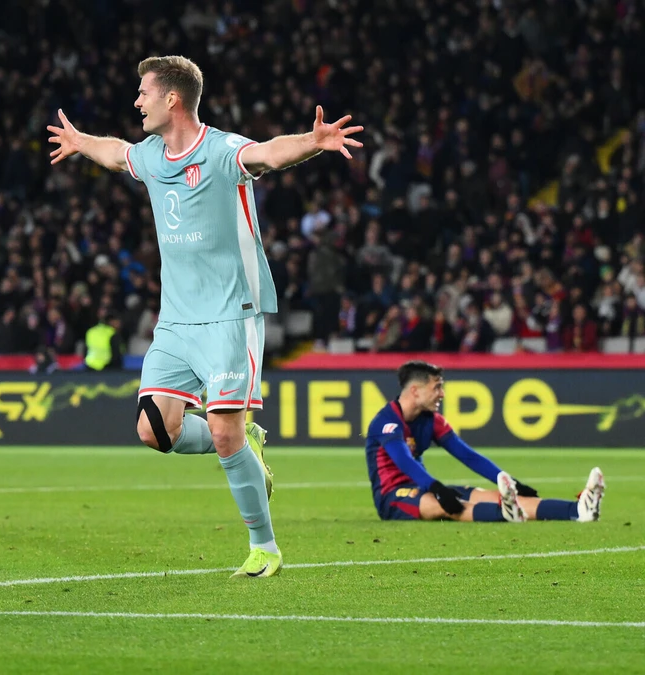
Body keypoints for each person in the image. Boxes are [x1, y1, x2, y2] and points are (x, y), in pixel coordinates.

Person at [47, 55, 362, 578]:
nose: (137, 101)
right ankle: (244, 444)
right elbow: (116, 154)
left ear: (172, 98)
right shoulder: (151, 155)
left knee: (223, 433)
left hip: (229, 315)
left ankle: (264, 546)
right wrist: (81, 142)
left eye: (144, 92)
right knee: (154, 429)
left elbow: (267, 154)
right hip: (175, 321)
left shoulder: (220, 150)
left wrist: (312, 142)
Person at [365, 360, 605, 522]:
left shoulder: (432, 421)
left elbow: (468, 456)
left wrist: (510, 481)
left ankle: (579, 510)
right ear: (415, 391)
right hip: (392, 497)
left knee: (495, 495)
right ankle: (504, 514)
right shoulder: (386, 422)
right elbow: (404, 461)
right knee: (446, 505)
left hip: (425, 486)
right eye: (437, 387)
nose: (442, 394)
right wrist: (437, 488)